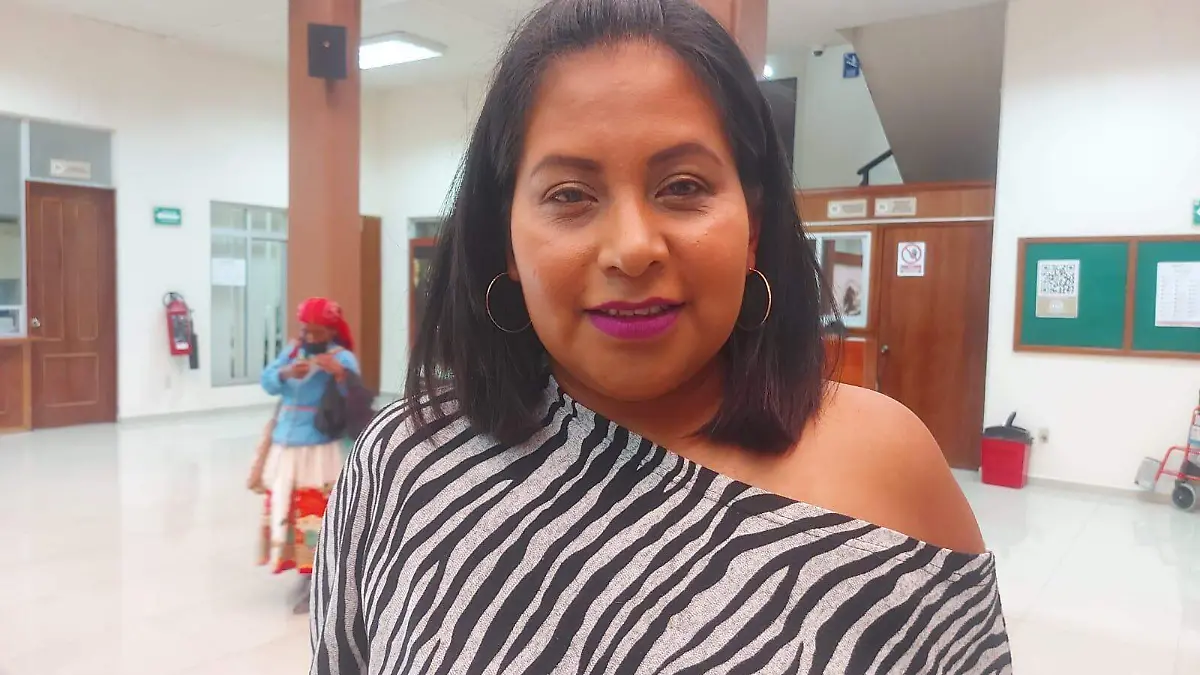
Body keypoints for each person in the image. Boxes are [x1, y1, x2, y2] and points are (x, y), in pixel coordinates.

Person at [311, 0, 1011, 672]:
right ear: (506, 241)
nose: (633, 249)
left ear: (753, 226)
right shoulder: (405, 467)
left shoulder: (888, 469)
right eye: (570, 195)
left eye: (682, 186)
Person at [251, 296, 359, 614]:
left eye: (317, 332)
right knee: (288, 509)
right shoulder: (292, 352)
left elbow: (356, 398)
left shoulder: (343, 358)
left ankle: (316, 574)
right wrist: (285, 373)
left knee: (314, 512)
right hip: (286, 446)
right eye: (306, 331)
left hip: (319, 449)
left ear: (331, 331)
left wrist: (339, 374)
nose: (310, 337)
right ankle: (299, 569)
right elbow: (267, 381)